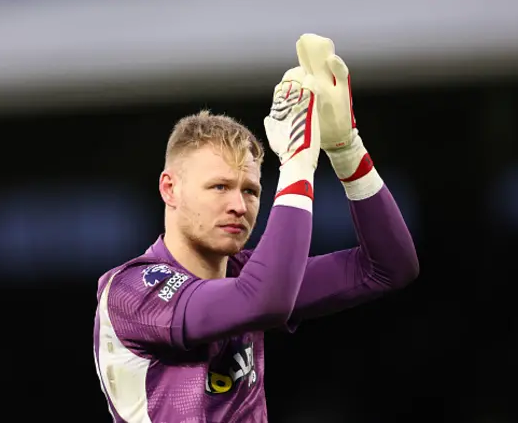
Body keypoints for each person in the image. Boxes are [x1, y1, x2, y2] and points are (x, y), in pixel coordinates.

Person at [93, 34, 419, 423]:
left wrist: (347, 149)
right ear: (170, 188)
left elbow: (388, 267)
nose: (238, 205)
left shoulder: (249, 275)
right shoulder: (130, 292)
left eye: (250, 190)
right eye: (219, 187)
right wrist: (297, 162)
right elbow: (262, 300)